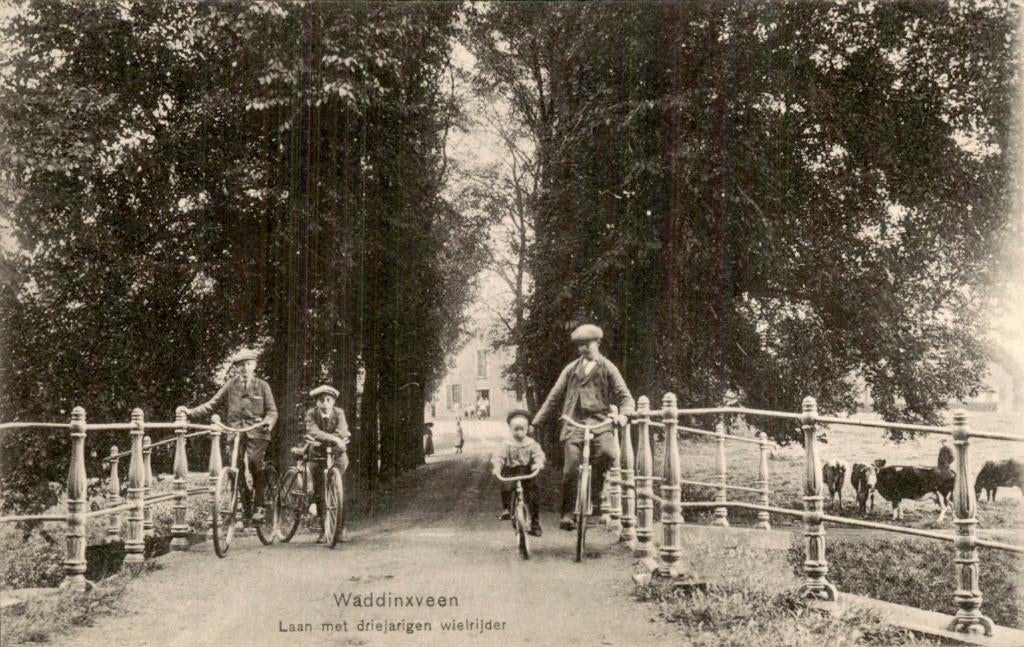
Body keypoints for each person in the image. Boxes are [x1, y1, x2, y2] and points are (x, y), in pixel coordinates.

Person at [531, 324, 634, 531]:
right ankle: (568, 513)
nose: (582, 350)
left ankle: (593, 496)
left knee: (607, 453)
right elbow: (554, 397)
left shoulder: (608, 368)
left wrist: (624, 416)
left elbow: (626, 398)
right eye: (579, 346)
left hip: (600, 423)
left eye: (586, 345)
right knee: (570, 469)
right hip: (573, 424)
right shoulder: (571, 370)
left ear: (597, 343)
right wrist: (536, 423)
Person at [181, 348, 278, 524]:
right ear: (236, 368)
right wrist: (190, 412)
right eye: (241, 365)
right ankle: (246, 499)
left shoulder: (263, 386)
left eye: (248, 364)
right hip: (235, 432)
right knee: (235, 466)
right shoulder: (231, 385)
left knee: (255, 462)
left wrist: (268, 422)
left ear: (254, 365)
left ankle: (260, 506)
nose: (245, 368)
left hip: (258, 432)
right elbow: (213, 403)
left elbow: (272, 411)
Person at [304, 384, 350, 543]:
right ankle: (324, 529)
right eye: (321, 400)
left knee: (338, 490)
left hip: (337, 455)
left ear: (333, 402)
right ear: (317, 402)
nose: (325, 404)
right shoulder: (311, 414)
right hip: (317, 456)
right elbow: (313, 431)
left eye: (328, 400)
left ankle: (341, 527)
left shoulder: (339, 413)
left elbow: (342, 430)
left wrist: (336, 439)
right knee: (320, 491)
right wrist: (333, 439)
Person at [491, 409, 545, 536]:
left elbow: (538, 454)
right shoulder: (506, 443)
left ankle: (535, 522)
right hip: (510, 471)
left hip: (526, 470)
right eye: (516, 429)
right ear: (510, 429)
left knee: (533, 493)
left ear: (527, 429)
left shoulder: (531, 443)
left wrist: (538, 462)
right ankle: (506, 509)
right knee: (506, 486)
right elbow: (498, 456)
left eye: (522, 429)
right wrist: (497, 466)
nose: (519, 432)